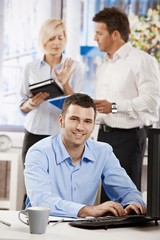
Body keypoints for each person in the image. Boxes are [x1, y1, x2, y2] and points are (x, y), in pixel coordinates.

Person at [24, 93, 146, 218]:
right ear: (61, 121)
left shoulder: (103, 152)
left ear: (93, 125)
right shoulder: (39, 153)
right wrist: (88, 210)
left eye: (87, 121)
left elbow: (127, 190)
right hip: (43, 227)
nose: (80, 127)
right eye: (74, 119)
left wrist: (133, 203)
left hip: (82, 228)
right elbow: (41, 200)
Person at [92, 7, 160, 201]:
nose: (95, 38)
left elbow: (151, 100)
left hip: (128, 138)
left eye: (99, 33)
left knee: (125, 198)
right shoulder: (105, 64)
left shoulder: (142, 61)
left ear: (115, 34)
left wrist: (114, 107)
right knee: (107, 198)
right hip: (104, 135)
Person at [19, 18, 83, 164]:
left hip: (62, 137)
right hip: (34, 134)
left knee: (60, 185)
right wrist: (30, 104)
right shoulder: (30, 67)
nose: (57, 43)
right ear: (43, 40)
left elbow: (79, 107)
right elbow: (22, 107)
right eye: (51, 38)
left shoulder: (75, 67)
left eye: (60, 38)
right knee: (33, 184)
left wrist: (65, 83)